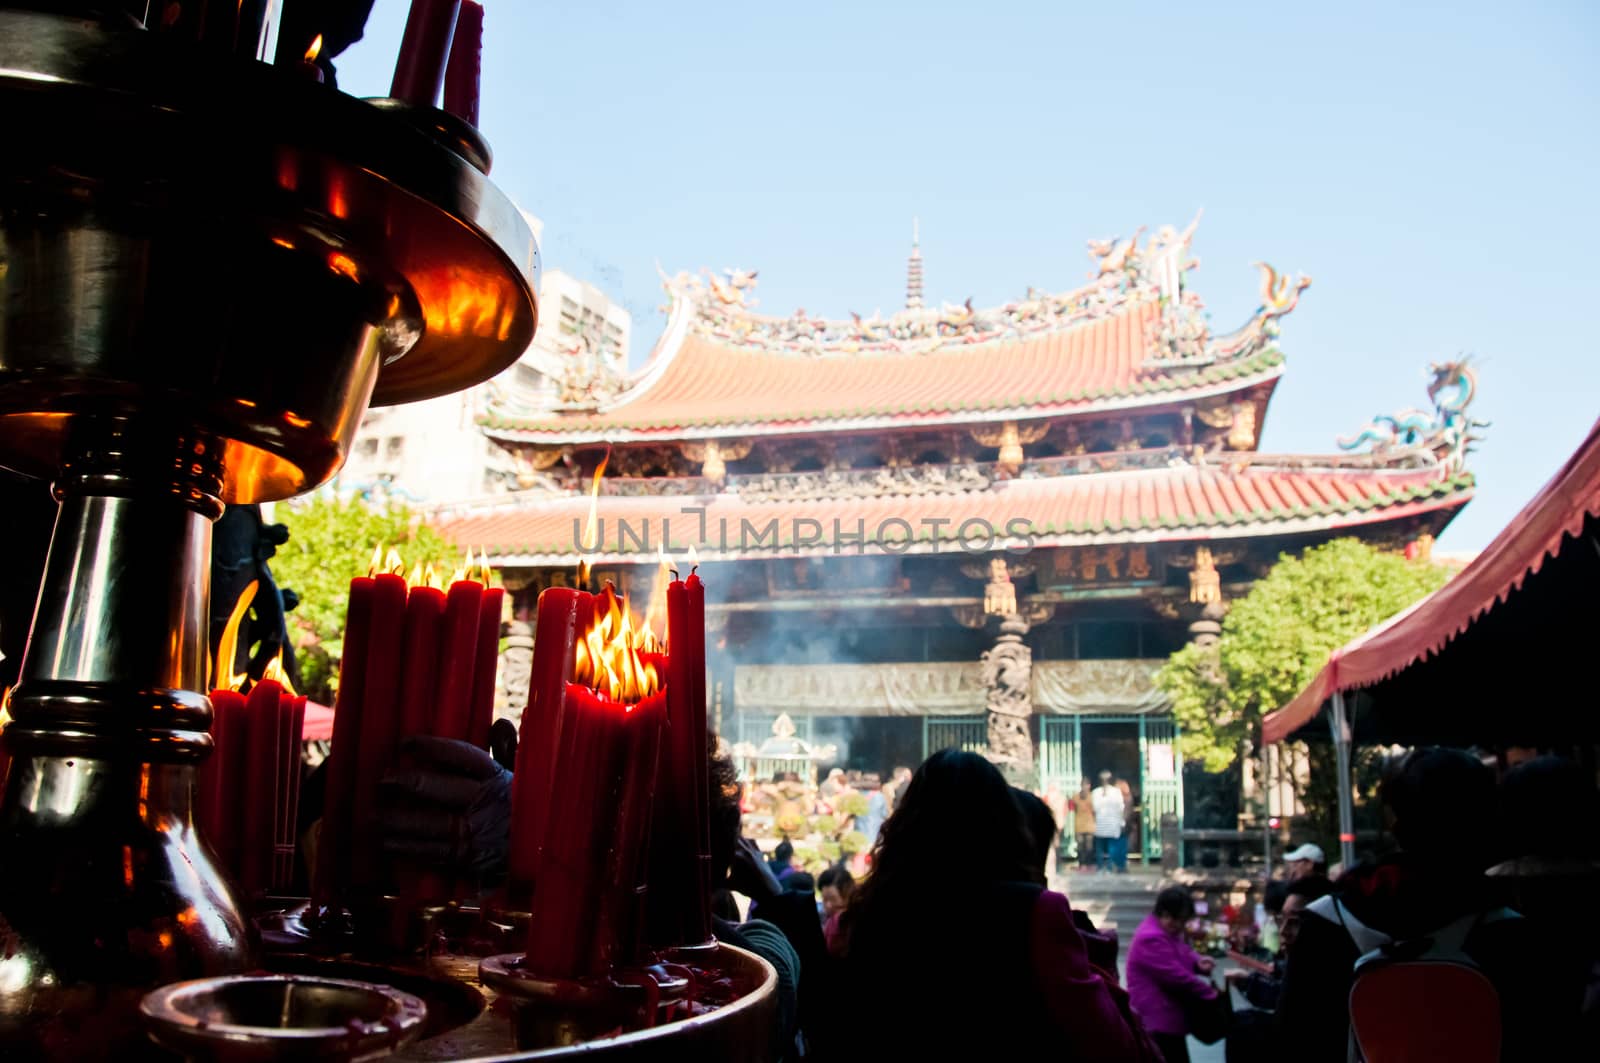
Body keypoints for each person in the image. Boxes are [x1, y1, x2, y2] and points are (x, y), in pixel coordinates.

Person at [817, 750, 1161, 1059]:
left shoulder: (862, 916)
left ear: (905, 823)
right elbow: (1107, 1040)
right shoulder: (1036, 912)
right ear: (1004, 821)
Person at [1276, 747, 1567, 1062]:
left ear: (1397, 826)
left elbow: (1291, 1041)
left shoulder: (1327, 923)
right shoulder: (1510, 934)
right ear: (1486, 825)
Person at [1126, 886, 1220, 1063]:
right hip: (1157, 1020)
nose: (1180, 926)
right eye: (1177, 920)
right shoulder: (1150, 938)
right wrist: (1209, 993)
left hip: (1167, 1018)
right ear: (1165, 913)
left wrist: (1197, 962)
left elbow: (1181, 950)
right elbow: (1175, 976)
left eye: (1183, 921)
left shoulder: (1164, 930)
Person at [1092, 770, 1126, 873]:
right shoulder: (1097, 792)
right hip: (1102, 823)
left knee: (1110, 848)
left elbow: (1120, 808)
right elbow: (1094, 809)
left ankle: (1108, 867)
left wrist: (1121, 822)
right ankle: (1102, 867)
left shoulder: (1115, 792)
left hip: (1110, 823)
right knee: (1101, 848)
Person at [1073, 777, 1097, 870]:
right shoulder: (1076, 797)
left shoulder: (1092, 797)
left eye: (1086, 785)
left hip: (1089, 824)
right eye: (1083, 785)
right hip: (1080, 824)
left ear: (1089, 786)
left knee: (1088, 846)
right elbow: (1074, 809)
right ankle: (1082, 863)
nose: (1084, 787)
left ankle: (1088, 863)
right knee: (1080, 846)